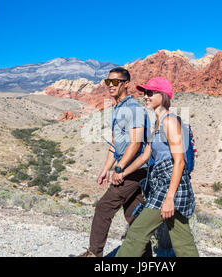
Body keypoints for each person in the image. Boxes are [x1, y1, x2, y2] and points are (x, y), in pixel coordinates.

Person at [115, 77, 199, 257]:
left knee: (136, 233)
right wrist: (122, 172)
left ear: (163, 96)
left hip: (169, 186)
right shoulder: (157, 124)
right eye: (145, 92)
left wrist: (170, 197)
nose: (145, 96)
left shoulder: (170, 121)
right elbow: (145, 156)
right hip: (164, 184)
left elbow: (180, 161)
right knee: (183, 241)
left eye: (150, 93)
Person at [77, 67, 151, 257]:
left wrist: (119, 168)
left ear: (126, 84)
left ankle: (94, 254)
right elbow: (115, 145)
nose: (110, 86)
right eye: (107, 81)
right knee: (133, 215)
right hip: (127, 168)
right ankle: (145, 257)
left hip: (133, 170)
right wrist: (105, 169)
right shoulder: (117, 108)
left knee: (104, 207)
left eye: (115, 82)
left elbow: (135, 144)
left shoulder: (133, 109)